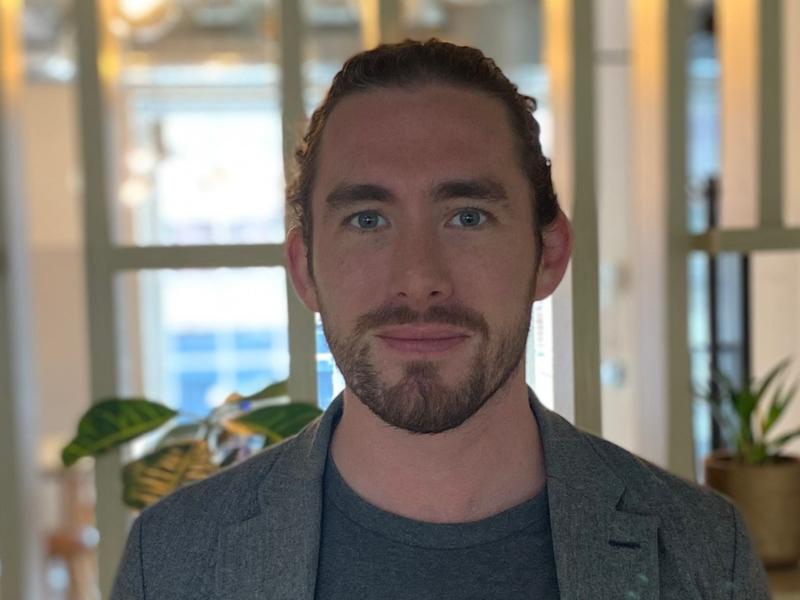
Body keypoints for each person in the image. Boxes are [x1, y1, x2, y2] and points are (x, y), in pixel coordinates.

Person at [111, 39, 770, 599]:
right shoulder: (169, 562)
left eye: (467, 217)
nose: (419, 277)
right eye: (367, 220)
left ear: (549, 254)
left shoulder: (706, 555)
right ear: (305, 269)